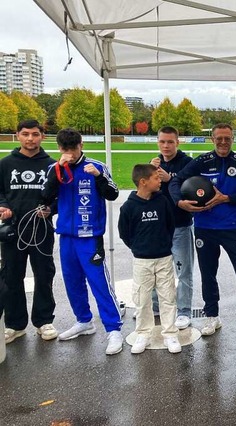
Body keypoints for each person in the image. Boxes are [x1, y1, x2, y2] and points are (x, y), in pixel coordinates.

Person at [169, 123, 236, 342]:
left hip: (231, 228)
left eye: (227, 138)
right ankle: (212, 316)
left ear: (232, 139)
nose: (223, 142)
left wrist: (227, 199)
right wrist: (180, 203)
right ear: (213, 139)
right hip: (204, 228)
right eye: (219, 138)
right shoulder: (201, 162)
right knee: (208, 274)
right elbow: (176, 181)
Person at [42, 128, 123, 355]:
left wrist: (98, 177)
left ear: (81, 146)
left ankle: (114, 329)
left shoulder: (97, 166)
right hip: (66, 235)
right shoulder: (55, 169)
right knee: (72, 281)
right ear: (59, 149)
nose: (70, 154)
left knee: (99, 282)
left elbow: (113, 194)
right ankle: (84, 321)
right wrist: (58, 169)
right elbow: (46, 196)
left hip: (90, 236)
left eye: (73, 149)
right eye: (65, 149)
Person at [0, 119, 57, 344]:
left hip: (41, 231)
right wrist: (3, 206)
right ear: (18, 135)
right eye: (25, 134)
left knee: (44, 275)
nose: (30, 139)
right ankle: (15, 324)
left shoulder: (52, 165)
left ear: (43, 135)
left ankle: (43, 321)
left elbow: (60, 197)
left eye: (35, 134)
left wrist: (51, 209)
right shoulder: (5, 164)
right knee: (12, 277)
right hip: (13, 231)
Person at [118, 164, 181, 354]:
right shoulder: (128, 206)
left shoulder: (162, 202)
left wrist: (163, 245)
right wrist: (138, 247)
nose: (159, 179)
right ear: (143, 182)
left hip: (163, 258)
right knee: (143, 299)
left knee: (168, 296)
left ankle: (170, 333)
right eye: (155, 178)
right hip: (142, 261)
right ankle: (143, 334)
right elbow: (124, 233)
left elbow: (171, 225)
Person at [149, 126, 195, 330]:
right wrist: (150, 175)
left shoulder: (188, 163)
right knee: (156, 270)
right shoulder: (155, 164)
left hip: (181, 225)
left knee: (183, 271)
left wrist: (169, 180)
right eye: (162, 142)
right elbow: (146, 193)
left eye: (170, 142)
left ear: (178, 142)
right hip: (158, 226)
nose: (166, 146)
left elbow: (193, 193)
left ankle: (184, 311)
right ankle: (156, 306)